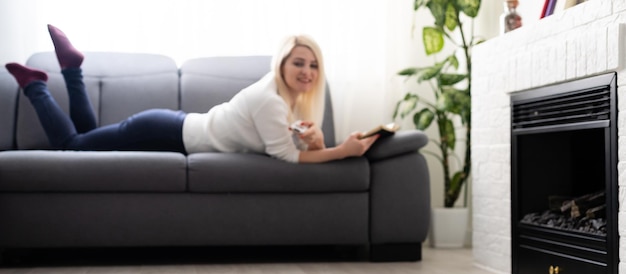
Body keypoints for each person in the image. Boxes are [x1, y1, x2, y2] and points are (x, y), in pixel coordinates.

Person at [5, 25, 378, 163]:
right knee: (71, 148)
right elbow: (285, 156)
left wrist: (317, 139)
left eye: (313, 66)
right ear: (281, 63)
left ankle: (72, 69)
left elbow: (298, 148)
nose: (307, 72)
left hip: (171, 130)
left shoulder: (288, 100)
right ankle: (37, 85)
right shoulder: (270, 98)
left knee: (83, 143)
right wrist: (341, 151)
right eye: (299, 63)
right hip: (165, 132)